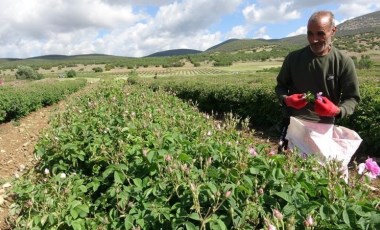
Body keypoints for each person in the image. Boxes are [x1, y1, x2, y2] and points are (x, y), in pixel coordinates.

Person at [275, 10, 360, 152]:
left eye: (320, 33)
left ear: (333, 31)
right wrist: (286, 100)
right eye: (310, 33)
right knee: (287, 169)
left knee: (317, 170)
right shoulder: (293, 58)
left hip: (323, 128)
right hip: (293, 124)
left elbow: (352, 98)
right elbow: (280, 87)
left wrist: (337, 111)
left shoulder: (343, 62)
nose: (314, 39)